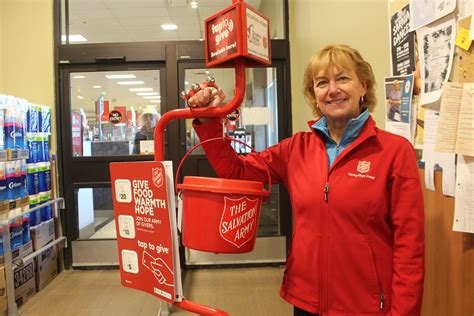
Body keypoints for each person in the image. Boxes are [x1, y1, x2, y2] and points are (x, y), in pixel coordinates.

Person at [187, 44, 424, 316]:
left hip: (366, 306)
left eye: (343, 78)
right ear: (315, 95)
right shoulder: (295, 149)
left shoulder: (394, 151)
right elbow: (236, 171)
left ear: (363, 85)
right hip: (306, 301)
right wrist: (208, 122)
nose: (332, 89)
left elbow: (410, 248)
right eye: (322, 83)